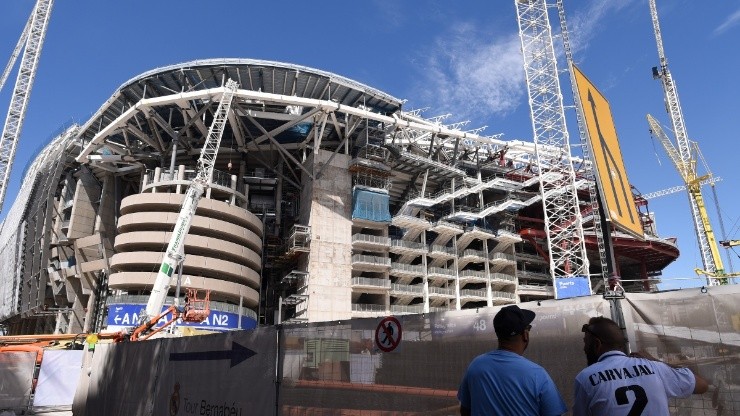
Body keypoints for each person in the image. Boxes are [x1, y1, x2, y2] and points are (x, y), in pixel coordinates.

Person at [573, 316, 709, 416]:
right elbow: (702, 385)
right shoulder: (655, 368)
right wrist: (655, 361)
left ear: (597, 344)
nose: (584, 348)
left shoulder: (585, 378)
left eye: (586, 342)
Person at [457, 305, 567, 416]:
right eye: (528, 328)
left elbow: (465, 410)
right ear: (525, 335)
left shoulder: (476, 365)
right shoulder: (538, 374)